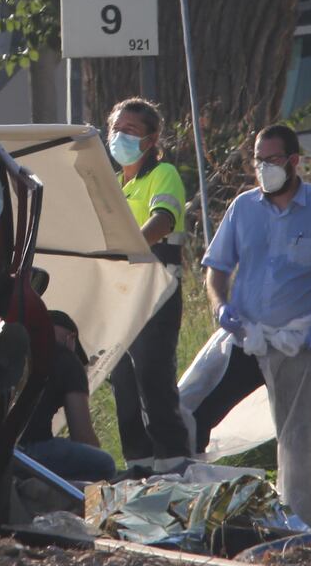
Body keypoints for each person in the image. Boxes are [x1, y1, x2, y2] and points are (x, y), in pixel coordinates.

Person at [199, 125, 311, 529]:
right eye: (258, 159)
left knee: (300, 442)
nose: (264, 168)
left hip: (301, 339)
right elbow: (216, 269)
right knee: (193, 410)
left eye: (272, 160)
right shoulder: (243, 208)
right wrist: (220, 306)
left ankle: (298, 528)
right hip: (246, 336)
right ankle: (193, 509)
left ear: (294, 161)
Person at [104, 97, 192, 462]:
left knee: (153, 384)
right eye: (116, 129)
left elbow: (163, 220)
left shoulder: (162, 175)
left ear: (151, 140)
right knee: (123, 385)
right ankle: (138, 467)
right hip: (120, 297)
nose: (120, 136)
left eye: (131, 130)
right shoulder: (111, 184)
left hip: (155, 294)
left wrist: (130, 248)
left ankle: (172, 468)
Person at [17, 311, 115, 484]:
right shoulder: (65, 357)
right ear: (71, 339)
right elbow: (82, 435)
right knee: (104, 463)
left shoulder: (14, 346)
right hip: (29, 453)